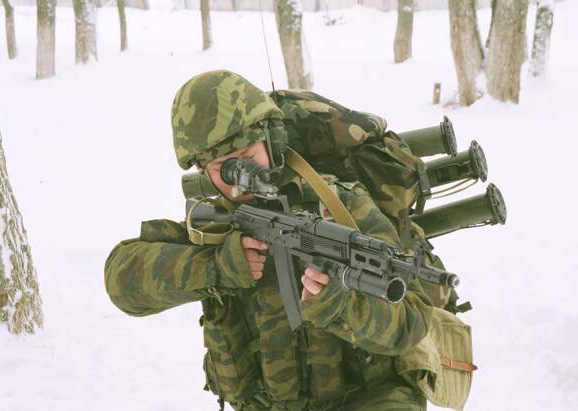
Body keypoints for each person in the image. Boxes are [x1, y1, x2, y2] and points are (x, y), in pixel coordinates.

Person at [104, 70, 435, 410]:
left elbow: (414, 322)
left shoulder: (341, 204)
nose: (241, 180)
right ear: (204, 172)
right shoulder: (215, 224)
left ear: (272, 141)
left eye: (249, 159)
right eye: (224, 170)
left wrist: (344, 306)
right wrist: (215, 267)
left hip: (369, 398)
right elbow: (120, 282)